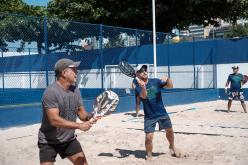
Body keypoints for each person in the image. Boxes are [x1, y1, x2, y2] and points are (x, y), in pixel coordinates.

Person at [38, 58, 98, 165]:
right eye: (74, 70)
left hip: (69, 140)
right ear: (64, 73)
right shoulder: (51, 92)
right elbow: (54, 120)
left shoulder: (75, 90)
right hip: (48, 142)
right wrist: (79, 126)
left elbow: (81, 113)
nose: (77, 72)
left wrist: (90, 116)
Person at [133, 64, 182, 160]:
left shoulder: (155, 81)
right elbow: (144, 96)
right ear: (137, 74)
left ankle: (172, 146)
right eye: (142, 71)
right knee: (149, 137)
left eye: (145, 70)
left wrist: (168, 79)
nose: (145, 72)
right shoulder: (137, 86)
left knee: (170, 131)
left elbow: (170, 87)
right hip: (150, 116)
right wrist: (143, 87)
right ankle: (149, 155)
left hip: (162, 113)